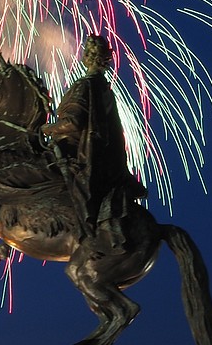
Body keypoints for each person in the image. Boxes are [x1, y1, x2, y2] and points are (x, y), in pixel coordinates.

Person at [42, 34, 147, 254]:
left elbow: (72, 123)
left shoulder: (84, 86)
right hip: (102, 156)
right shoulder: (104, 88)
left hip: (79, 153)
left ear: (86, 57)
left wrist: (43, 129)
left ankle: (84, 231)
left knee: (37, 173)